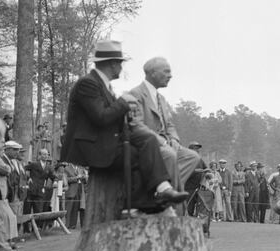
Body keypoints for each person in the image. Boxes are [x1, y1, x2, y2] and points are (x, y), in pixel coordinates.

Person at [59, 40, 188, 211]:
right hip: (93, 148)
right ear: (112, 64)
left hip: (105, 143)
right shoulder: (88, 84)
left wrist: (127, 113)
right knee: (142, 151)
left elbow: (111, 117)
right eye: (120, 63)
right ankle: (143, 201)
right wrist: (123, 103)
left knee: (147, 139)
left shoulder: (103, 85)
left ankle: (160, 192)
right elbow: (101, 117)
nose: (121, 67)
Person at [129, 57, 201, 192]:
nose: (170, 75)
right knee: (170, 155)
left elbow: (169, 124)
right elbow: (136, 125)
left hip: (166, 144)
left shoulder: (161, 98)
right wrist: (162, 142)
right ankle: (168, 195)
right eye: (166, 71)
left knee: (192, 156)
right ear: (153, 73)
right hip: (148, 145)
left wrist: (174, 139)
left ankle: (165, 190)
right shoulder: (136, 93)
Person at [0, 115, 24, 251]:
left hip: (2, 192)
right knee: (2, 219)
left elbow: (6, 169)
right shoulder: (0, 155)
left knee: (9, 218)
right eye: (16, 150)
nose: (18, 153)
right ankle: (3, 246)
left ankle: (7, 244)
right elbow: (4, 169)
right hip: (0, 192)